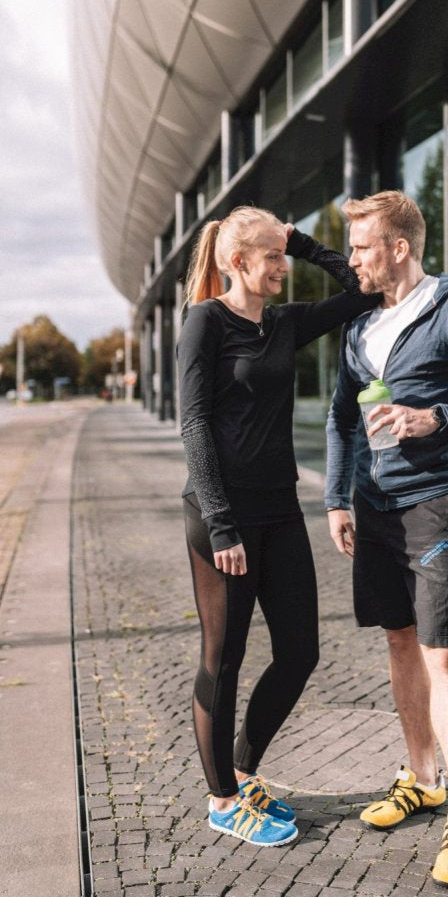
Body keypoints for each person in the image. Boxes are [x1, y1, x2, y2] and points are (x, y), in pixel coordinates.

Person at [325, 190, 448, 887]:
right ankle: (423, 778)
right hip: (373, 508)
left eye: (360, 246)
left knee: (443, 658)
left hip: (435, 505)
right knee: (398, 641)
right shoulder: (359, 325)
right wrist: (335, 499)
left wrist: (434, 416)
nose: (351, 259)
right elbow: (340, 419)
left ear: (399, 247)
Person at [177, 205, 378, 848]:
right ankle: (221, 800)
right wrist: (221, 523)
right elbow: (194, 424)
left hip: (281, 508)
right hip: (223, 517)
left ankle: (242, 770)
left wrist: (302, 241)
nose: (281, 270)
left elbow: (361, 288)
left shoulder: (284, 325)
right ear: (236, 262)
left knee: (300, 651)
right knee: (225, 657)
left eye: (281, 257)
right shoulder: (204, 322)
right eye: (270, 258)